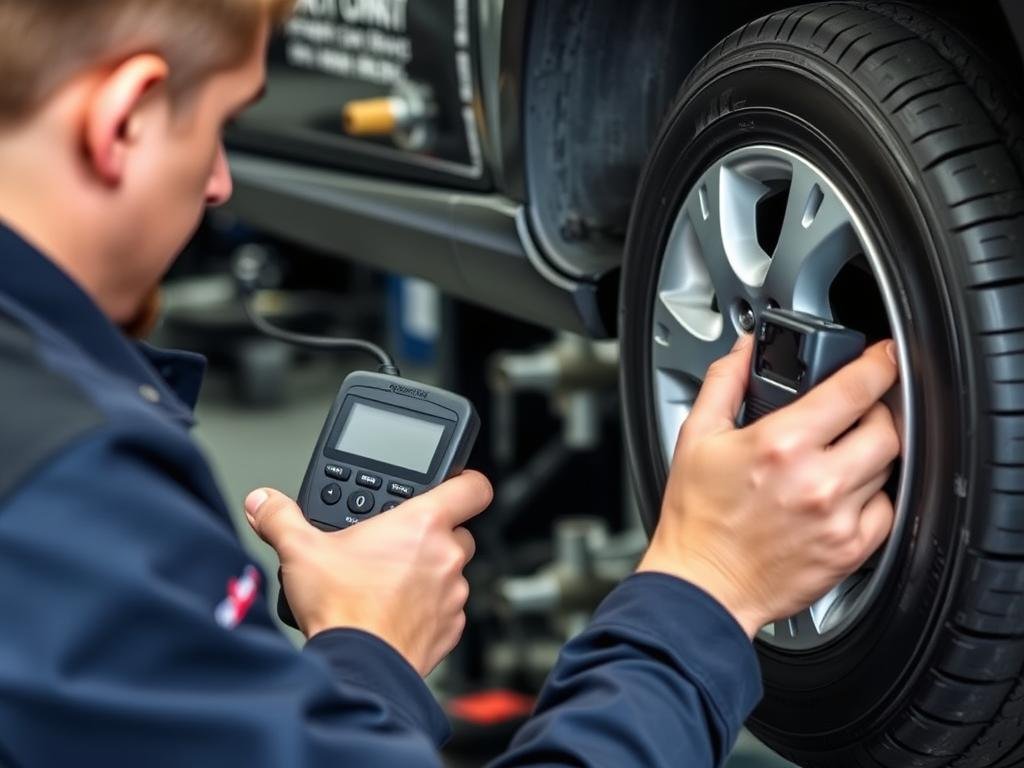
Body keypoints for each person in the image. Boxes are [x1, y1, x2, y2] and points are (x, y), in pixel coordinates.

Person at [0, 1, 901, 766]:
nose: (220, 183)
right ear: (124, 119)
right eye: (217, 126)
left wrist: (366, 652)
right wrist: (707, 587)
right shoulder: (70, 498)